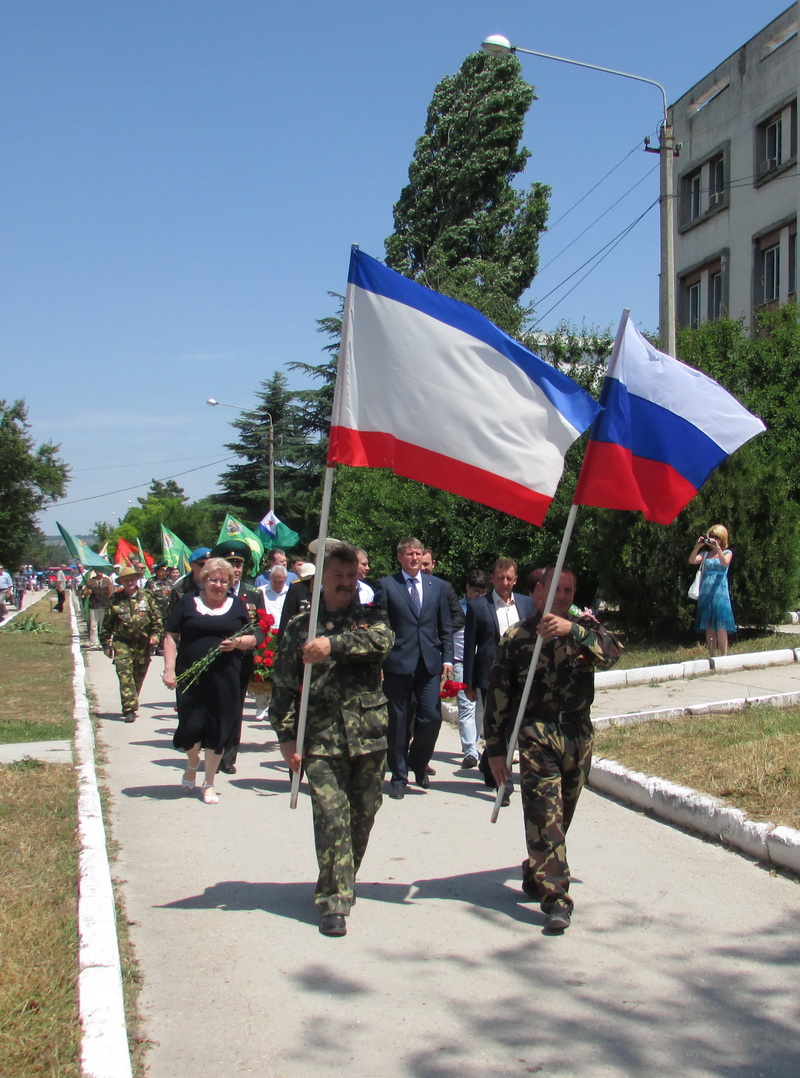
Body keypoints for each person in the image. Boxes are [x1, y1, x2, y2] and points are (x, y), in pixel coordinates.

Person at [484, 566, 622, 932]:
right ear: (539, 592)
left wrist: (573, 629)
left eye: (569, 590)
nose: (563, 596)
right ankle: (557, 899)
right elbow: (498, 696)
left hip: (577, 735)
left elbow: (612, 653)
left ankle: (537, 870)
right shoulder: (517, 637)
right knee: (545, 814)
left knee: (562, 817)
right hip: (536, 735)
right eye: (556, 589)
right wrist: (496, 750)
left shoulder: (586, 629)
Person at [270, 543, 395, 936]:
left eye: (351, 576)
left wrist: (333, 645)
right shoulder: (299, 628)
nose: (345, 583)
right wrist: (287, 738)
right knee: (331, 818)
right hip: (321, 737)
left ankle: (342, 875)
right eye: (337, 576)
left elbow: (383, 643)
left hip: (369, 736)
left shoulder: (372, 617)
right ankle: (333, 901)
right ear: (321, 579)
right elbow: (284, 685)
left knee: (364, 815)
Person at [162, 557, 261, 804]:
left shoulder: (237, 605)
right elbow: (171, 636)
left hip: (226, 677)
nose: (218, 585)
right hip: (191, 677)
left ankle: (209, 784)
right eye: (214, 580)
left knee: (219, 728)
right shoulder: (187, 603)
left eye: (224, 581)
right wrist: (169, 669)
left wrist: (237, 643)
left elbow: (252, 638)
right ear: (204, 580)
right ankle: (193, 761)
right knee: (191, 726)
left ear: (230, 583)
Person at [374, 537, 453, 798]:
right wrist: (380, 661)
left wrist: (447, 658)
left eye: (418, 553)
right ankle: (398, 776)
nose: (415, 558)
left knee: (431, 716)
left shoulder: (437, 586)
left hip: (429, 663)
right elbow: (380, 627)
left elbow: (445, 626)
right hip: (398, 662)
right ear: (400, 557)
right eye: (410, 554)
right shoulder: (387, 585)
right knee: (397, 720)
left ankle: (418, 763)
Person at [207, 539, 267, 775]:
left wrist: (253, 642)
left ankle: (228, 755)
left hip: (241, 659)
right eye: (231, 563)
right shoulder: (213, 591)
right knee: (213, 705)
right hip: (214, 657)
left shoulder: (252, 593)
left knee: (234, 706)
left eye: (240, 564)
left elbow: (262, 627)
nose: (237, 568)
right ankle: (213, 748)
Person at [100, 567, 163, 723]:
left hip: (143, 644)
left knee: (138, 675)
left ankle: (132, 699)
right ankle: (129, 709)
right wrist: (106, 644)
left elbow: (157, 619)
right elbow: (107, 624)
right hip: (122, 642)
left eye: (132, 578)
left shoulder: (147, 597)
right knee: (125, 674)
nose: (130, 581)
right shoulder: (115, 599)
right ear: (121, 581)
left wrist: (156, 635)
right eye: (126, 579)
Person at [453, 570, 489, 767]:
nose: (479, 596)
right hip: (460, 662)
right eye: (476, 591)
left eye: (483, 592)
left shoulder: (488, 607)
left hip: (482, 664)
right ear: (467, 588)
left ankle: (481, 745)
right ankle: (470, 752)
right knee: (466, 706)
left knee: (481, 709)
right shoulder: (457, 608)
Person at [690, 525, 735, 657]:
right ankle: (712, 655)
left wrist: (718, 549)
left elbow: (724, 563)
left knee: (721, 626)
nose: (713, 539)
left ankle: (724, 655)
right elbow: (692, 560)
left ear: (722, 539)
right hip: (706, 592)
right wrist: (698, 546)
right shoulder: (705, 555)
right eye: (712, 536)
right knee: (709, 626)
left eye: (717, 537)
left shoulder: (727, 553)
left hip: (720, 593)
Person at [82, 568, 114, 650]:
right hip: (94, 605)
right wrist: (87, 592)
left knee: (103, 625)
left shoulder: (107, 581)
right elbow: (84, 594)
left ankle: (103, 642)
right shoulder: (91, 581)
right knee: (94, 625)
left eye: (101, 571)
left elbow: (111, 592)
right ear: (95, 572)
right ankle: (94, 643)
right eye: (98, 570)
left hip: (104, 605)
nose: (100, 572)